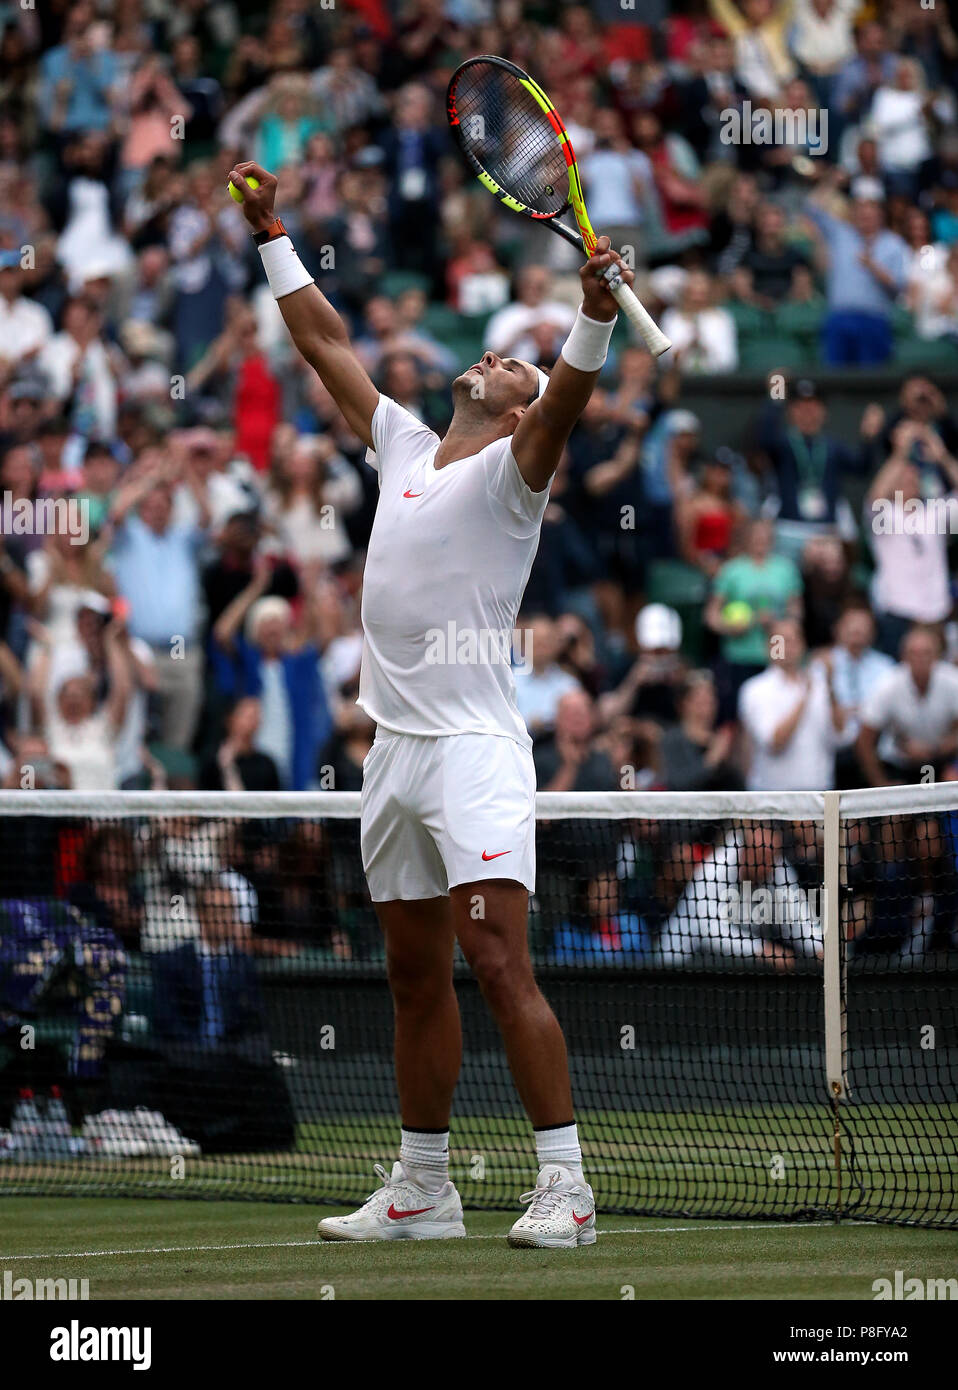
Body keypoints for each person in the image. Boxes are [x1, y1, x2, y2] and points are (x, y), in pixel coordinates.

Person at [227, 159, 632, 1248]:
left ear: (515, 412)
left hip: (475, 751)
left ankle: (567, 1188)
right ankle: (423, 1187)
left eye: (514, 366)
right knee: (413, 975)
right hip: (393, 753)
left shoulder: (515, 472)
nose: (496, 359)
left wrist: (587, 325)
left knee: (497, 958)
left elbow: (566, 401)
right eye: (499, 355)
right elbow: (323, 343)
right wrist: (271, 234)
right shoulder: (404, 440)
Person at [738, 617, 848, 791]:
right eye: (780, 641)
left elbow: (841, 736)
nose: (788, 647)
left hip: (821, 793)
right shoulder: (755, 689)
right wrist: (804, 696)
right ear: (769, 647)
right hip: (773, 798)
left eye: (793, 640)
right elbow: (774, 742)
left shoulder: (821, 685)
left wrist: (830, 684)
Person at [857, 624, 958, 786]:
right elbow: (865, 738)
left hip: (943, 760)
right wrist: (880, 783)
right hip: (899, 763)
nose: (920, 659)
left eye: (926, 653)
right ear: (903, 656)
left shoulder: (953, 681)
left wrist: (941, 747)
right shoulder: (888, 684)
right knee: (896, 805)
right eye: (913, 653)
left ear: (938, 655)